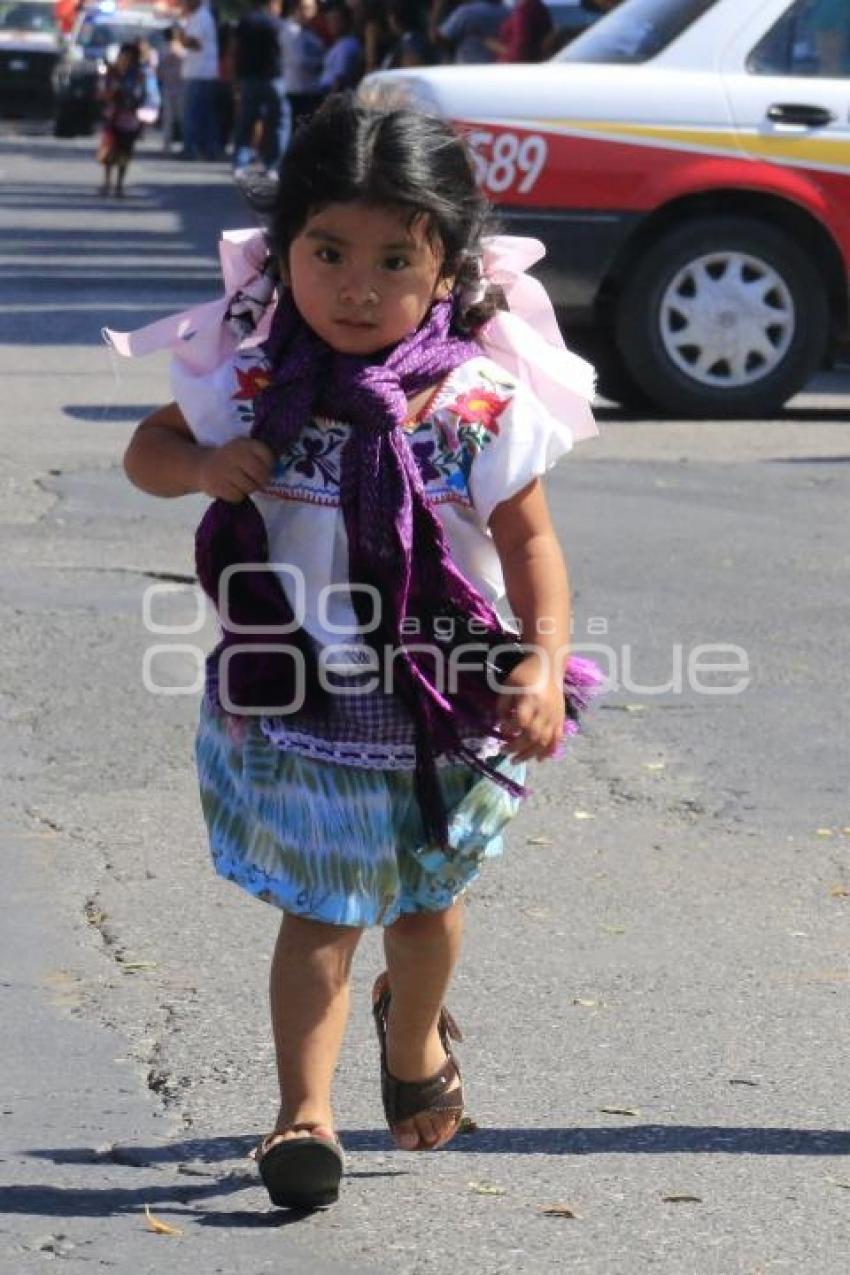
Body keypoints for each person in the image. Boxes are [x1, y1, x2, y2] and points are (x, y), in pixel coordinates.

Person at [113, 95, 599, 1212]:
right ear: (283, 251)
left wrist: (537, 661)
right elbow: (150, 451)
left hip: (442, 702)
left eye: (394, 260)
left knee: (425, 914)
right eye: (328, 253)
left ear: (448, 272)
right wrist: (202, 469)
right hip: (303, 701)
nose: (357, 287)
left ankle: (413, 1032)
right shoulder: (245, 381)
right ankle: (302, 1115)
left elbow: (530, 547)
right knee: (323, 908)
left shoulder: (471, 402)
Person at [232, 0, 284, 174]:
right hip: (272, 78)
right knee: (278, 122)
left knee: (246, 122)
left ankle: (240, 163)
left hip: (249, 78)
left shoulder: (245, 21)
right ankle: (273, 164)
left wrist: (237, 77)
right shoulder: (274, 23)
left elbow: (237, 50)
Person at [96, 41, 145, 197]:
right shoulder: (111, 73)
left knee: (125, 152)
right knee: (109, 150)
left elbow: (141, 96)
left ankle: (119, 184)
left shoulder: (138, 75)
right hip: (112, 117)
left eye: (129, 58)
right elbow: (101, 92)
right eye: (123, 56)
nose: (125, 60)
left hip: (129, 120)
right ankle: (107, 182)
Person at [177, 0, 220, 160]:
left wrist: (179, 33)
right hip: (201, 73)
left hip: (199, 73)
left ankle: (192, 148)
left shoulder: (201, 17)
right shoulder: (200, 16)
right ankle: (207, 148)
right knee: (204, 114)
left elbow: (195, 43)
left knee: (193, 114)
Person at [278, 0, 325, 135]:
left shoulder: (310, 31)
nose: (310, 13)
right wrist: (321, 62)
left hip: (309, 89)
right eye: (306, 8)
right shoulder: (291, 30)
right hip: (297, 90)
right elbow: (299, 61)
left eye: (312, 8)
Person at [438, 0, 507, 64]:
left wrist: (438, 7)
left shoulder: (466, 12)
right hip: (497, 67)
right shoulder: (507, 12)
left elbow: (441, 37)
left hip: (469, 67)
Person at [318, 0, 363, 92]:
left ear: (346, 21)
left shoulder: (346, 45)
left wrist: (329, 101)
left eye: (335, 20)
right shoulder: (339, 43)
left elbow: (340, 79)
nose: (331, 25)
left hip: (333, 95)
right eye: (328, 20)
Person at [158, 26, 186, 153]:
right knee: (177, 117)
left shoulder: (167, 48)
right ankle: (173, 143)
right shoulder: (175, 48)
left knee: (173, 117)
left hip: (174, 86)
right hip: (175, 86)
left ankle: (170, 143)